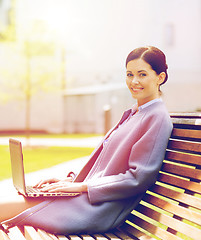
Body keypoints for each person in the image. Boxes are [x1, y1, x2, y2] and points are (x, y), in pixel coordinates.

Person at [0, 46, 173, 235]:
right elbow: (104, 166)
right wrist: (70, 180)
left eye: (142, 74)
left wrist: (81, 186)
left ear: (160, 77)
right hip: (85, 198)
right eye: (129, 74)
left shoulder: (156, 117)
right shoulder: (136, 113)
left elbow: (138, 178)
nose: (134, 81)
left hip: (95, 208)